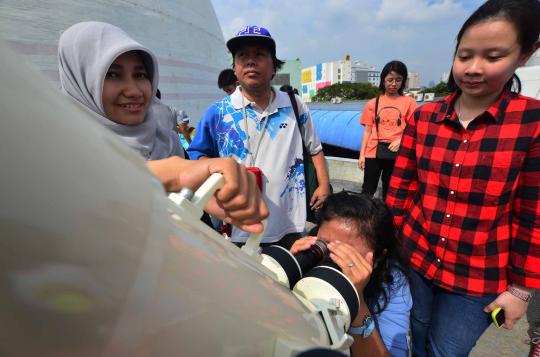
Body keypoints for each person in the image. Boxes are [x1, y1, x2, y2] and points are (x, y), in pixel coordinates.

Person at [385, 1, 540, 355]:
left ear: (525, 54)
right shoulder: (425, 118)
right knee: (412, 334)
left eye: (493, 56)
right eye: (465, 55)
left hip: (479, 277)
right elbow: (400, 193)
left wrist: (520, 291)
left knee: (447, 350)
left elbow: (533, 215)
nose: (474, 68)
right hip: (415, 258)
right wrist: (385, 247)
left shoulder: (531, 123)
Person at [58, 21, 268, 232]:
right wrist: (173, 174)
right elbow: (81, 184)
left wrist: (202, 198)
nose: (133, 90)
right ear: (81, 79)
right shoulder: (57, 147)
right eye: (112, 74)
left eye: (140, 74)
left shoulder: (163, 135)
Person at [188, 25, 331, 247]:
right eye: (242, 55)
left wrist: (324, 185)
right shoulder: (219, 112)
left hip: (289, 224)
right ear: (235, 69)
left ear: (274, 67)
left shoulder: (295, 105)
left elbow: (315, 148)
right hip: (238, 225)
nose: (250, 61)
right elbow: (197, 156)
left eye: (259, 55)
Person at [291, 192, 411, 357]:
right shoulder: (307, 256)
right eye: (323, 246)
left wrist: (357, 301)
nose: (331, 259)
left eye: (347, 254)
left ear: (377, 258)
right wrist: (289, 272)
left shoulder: (392, 283)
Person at [358, 60, 417, 200]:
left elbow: (415, 129)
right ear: (383, 80)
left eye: (398, 80)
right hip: (373, 151)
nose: (393, 84)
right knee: (367, 189)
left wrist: (401, 140)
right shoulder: (372, 103)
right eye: (390, 80)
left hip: (396, 152)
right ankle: (364, 219)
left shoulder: (409, 102)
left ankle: (387, 219)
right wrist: (362, 155)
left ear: (403, 81)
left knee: (390, 189)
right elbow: (367, 131)